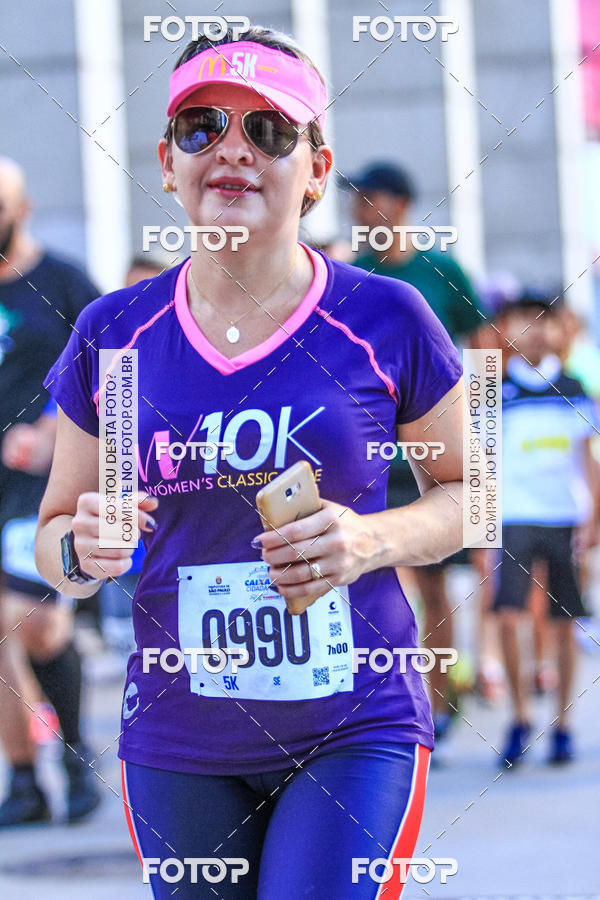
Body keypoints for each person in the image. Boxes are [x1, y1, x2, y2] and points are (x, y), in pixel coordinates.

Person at [36, 26, 464, 899]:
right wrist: (82, 549)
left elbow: (471, 497)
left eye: (270, 130)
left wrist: (370, 538)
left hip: (355, 724)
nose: (233, 149)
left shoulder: (389, 314)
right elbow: (51, 539)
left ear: (315, 168)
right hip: (177, 740)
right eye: (202, 126)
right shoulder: (111, 333)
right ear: (167, 160)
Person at [344, 161, 484, 744]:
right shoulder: (349, 276)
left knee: (433, 583)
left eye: (367, 197)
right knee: (377, 572)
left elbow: (485, 345)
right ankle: (387, 699)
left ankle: (442, 696)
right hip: (373, 451)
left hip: (432, 447)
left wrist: (476, 423)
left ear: (397, 204)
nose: (356, 209)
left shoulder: (440, 270)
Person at [0, 157, 101, 825]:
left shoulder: (62, 282)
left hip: (40, 489)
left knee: (35, 623)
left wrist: (50, 424)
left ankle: (71, 751)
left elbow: (113, 373)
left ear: (23, 209)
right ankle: (25, 779)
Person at [494, 289, 600, 766]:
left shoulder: (575, 388)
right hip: (513, 518)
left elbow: (589, 458)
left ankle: (563, 725)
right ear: (506, 330)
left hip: (563, 518)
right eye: (523, 320)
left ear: (560, 329)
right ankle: (518, 718)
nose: (534, 330)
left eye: (544, 320)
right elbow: (478, 465)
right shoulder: (492, 389)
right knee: (509, 616)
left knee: (563, 621)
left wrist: (594, 516)